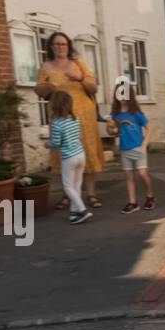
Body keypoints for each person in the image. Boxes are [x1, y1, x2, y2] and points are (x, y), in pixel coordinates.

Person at [34, 32, 105, 209]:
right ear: (50, 47)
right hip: (60, 114)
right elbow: (39, 91)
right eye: (56, 44)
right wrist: (48, 87)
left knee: (86, 152)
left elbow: (94, 87)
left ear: (69, 46)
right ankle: (68, 195)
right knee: (64, 153)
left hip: (84, 115)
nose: (60, 47)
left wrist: (80, 78)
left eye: (63, 44)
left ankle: (91, 194)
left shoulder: (78, 64)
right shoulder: (45, 67)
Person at [106, 79, 155, 214]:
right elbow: (112, 132)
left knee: (142, 174)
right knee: (129, 177)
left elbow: (149, 128)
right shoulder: (115, 114)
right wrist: (111, 127)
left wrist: (145, 144)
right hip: (124, 149)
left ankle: (150, 195)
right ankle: (132, 202)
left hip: (138, 148)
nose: (122, 97)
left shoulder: (136, 113)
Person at [45, 90, 90, 224]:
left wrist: (47, 144)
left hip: (69, 158)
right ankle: (73, 213)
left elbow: (56, 142)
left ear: (54, 105)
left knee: (68, 187)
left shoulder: (56, 123)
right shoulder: (75, 119)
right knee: (77, 185)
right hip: (80, 155)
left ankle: (82, 210)